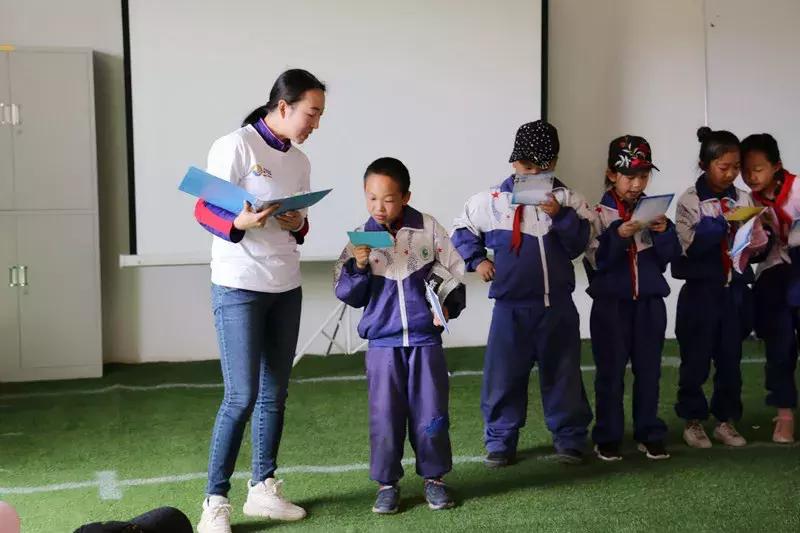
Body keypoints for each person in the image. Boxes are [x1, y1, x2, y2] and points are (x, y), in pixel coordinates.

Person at [193, 69, 326, 533]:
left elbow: (301, 226)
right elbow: (203, 208)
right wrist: (241, 223)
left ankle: (263, 488)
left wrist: (294, 223)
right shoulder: (236, 146)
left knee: (275, 395)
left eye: (319, 115)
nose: (315, 123)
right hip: (238, 285)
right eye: (311, 113)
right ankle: (214, 501)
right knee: (241, 396)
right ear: (284, 106)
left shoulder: (301, 161)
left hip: (285, 285)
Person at [451, 120, 593, 467]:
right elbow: (461, 230)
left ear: (554, 163)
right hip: (511, 309)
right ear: (514, 163)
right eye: (526, 167)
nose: (533, 174)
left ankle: (570, 437)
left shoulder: (568, 199)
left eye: (541, 168)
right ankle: (500, 440)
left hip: (557, 308)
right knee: (503, 376)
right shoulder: (491, 201)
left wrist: (560, 217)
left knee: (564, 375)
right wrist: (476, 260)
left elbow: (580, 243)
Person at [334, 157, 466, 514]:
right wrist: (358, 265)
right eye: (371, 197)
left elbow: (454, 272)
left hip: (425, 342)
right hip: (383, 346)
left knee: (431, 414)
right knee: (384, 417)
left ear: (406, 196)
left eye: (389, 198)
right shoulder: (359, 241)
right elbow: (347, 293)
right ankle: (387, 484)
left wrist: (449, 309)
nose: (379, 207)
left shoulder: (428, 228)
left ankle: (434, 479)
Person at [583, 135, 681, 461]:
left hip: (651, 305)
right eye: (629, 176)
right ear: (612, 174)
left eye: (643, 176)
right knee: (610, 374)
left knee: (649, 372)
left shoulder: (655, 211)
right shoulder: (597, 213)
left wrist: (665, 231)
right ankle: (608, 437)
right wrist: (619, 235)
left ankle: (649, 432)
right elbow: (597, 262)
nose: (637, 184)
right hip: (611, 306)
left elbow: (671, 259)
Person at [672, 126, 766, 449]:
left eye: (736, 167)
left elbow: (754, 246)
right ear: (705, 164)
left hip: (733, 291)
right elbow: (689, 246)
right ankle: (693, 421)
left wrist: (756, 234)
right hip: (700, 292)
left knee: (730, 359)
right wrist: (722, 223)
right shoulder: (690, 199)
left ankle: (726, 421)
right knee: (695, 360)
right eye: (723, 167)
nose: (731, 174)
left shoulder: (743, 198)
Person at [741, 132, 798, 443]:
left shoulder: (798, 189)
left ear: (776, 166)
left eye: (758, 168)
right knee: (779, 345)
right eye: (746, 170)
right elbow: (752, 252)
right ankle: (785, 413)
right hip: (774, 274)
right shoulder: (746, 200)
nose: (751, 176)